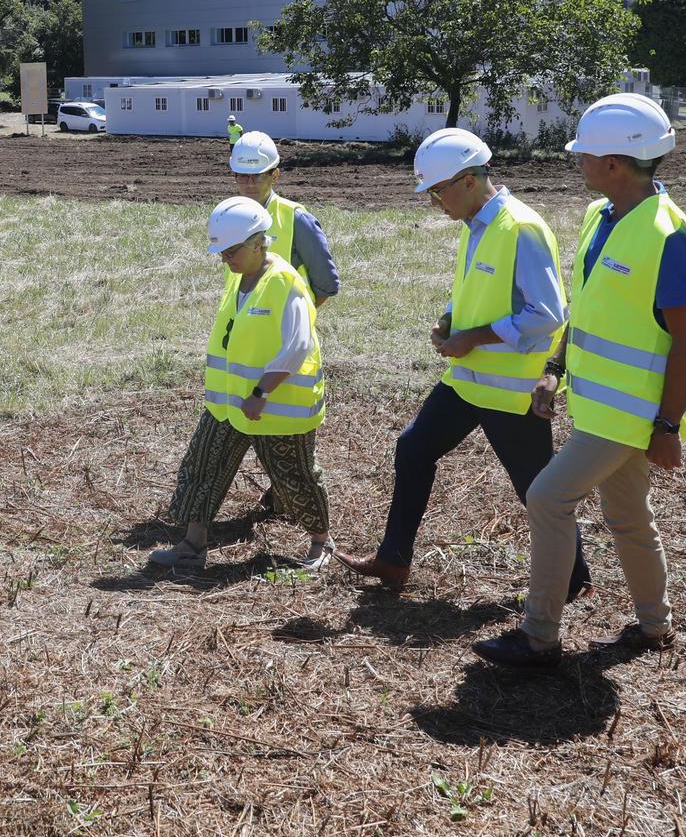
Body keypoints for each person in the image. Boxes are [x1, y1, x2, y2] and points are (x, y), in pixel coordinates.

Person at [475, 94, 686, 668]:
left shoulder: (670, 237)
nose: (577, 164)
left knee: (547, 498)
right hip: (599, 408)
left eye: (584, 156)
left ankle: (538, 636)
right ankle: (656, 626)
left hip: (632, 416)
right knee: (628, 516)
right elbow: (590, 311)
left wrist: (668, 426)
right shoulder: (599, 218)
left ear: (614, 164)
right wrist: (555, 370)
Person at [336, 128, 591, 598]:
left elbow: (548, 315)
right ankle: (393, 560)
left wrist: (473, 336)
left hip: (509, 390)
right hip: (468, 381)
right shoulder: (479, 226)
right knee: (413, 448)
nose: (435, 202)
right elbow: (485, 297)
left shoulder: (522, 228)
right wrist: (451, 320)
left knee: (536, 490)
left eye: (438, 190)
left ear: (470, 180)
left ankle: (575, 582)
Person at [150, 197, 332, 573]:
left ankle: (321, 541)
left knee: (294, 476)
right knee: (203, 467)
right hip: (228, 404)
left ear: (258, 243)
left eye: (230, 251)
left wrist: (261, 393)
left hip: (276, 409)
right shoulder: (239, 279)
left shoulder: (284, 283)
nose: (225, 259)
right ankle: (191, 545)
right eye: (221, 253)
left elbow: (297, 346)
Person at [228, 131, 340, 309]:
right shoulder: (230, 218)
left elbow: (327, 284)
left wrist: (297, 319)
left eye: (258, 175)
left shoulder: (297, 219)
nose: (249, 183)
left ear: (275, 175)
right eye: (242, 175)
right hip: (243, 327)